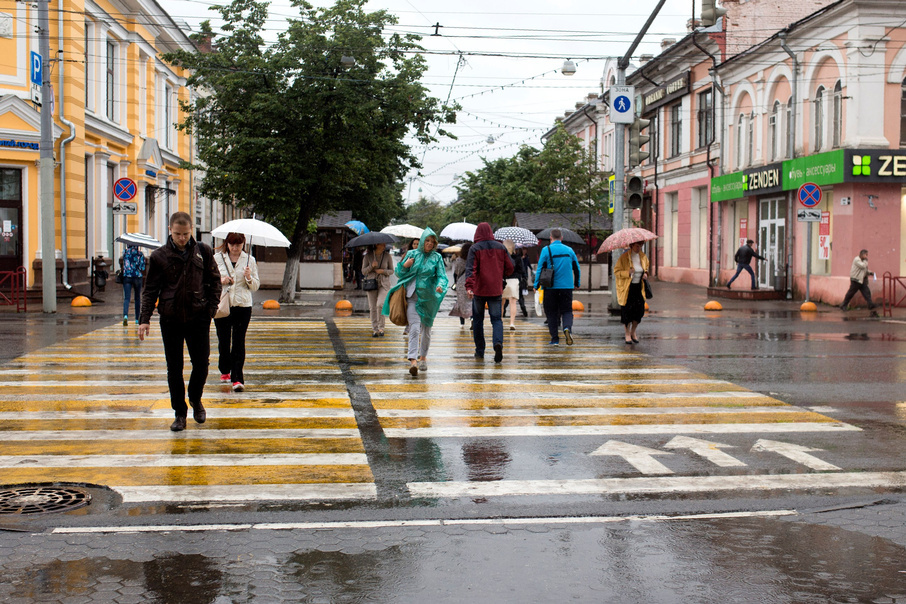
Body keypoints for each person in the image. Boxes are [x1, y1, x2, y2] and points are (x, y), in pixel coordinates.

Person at [139, 212, 221, 432]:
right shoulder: (159, 257)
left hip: (198, 317)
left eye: (185, 234)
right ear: (169, 230)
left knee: (202, 364)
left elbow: (215, 281)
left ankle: (195, 398)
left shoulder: (203, 251)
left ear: (191, 230)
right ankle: (180, 414)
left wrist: (211, 309)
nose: (182, 238)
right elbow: (150, 291)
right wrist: (144, 319)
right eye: (177, 234)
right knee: (174, 368)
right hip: (170, 318)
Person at [383, 228, 448, 376]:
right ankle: (413, 361)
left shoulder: (437, 258)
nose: (430, 244)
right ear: (422, 241)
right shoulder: (411, 254)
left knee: (426, 331)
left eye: (432, 241)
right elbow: (399, 273)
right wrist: (405, 266)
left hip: (429, 299)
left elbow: (442, 276)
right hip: (412, 297)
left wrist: (440, 286)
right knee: (414, 328)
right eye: (427, 240)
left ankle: (423, 357)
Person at [214, 232, 260, 392]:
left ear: (243, 244)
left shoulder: (250, 260)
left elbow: (255, 286)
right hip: (223, 305)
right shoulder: (217, 258)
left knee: (239, 342)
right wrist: (221, 280)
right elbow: (209, 280)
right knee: (224, 341)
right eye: (232, 244)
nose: (235, 248)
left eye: (238, 245)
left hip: (243, 306)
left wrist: (248, 278)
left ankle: (237, 378)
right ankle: (224, 368)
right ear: (227, 243)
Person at [466, 222, 514, 362]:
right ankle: (497, 343)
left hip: (479, 290)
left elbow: (471, 269)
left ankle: (480, 351)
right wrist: (500, 273)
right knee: (496, 320)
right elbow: (510, 267)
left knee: (478, 321)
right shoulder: (501, 247)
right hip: (495, 289)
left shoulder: (474, 248)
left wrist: (470, 287)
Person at [534, 229, 580, 346]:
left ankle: (555, 339)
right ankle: (567, 328)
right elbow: (576, 268)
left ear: (551, 237)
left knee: (551, 313)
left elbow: (539, 269)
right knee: (567, 310)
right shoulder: (569, 250)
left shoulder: (546, 250)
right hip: (567, 287)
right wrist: (577, 282)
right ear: (562, 238)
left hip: (550, 287)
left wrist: (536, 285)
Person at [614, 241, 650, 345]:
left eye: (641, 246)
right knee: (627, 312)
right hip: (627, 288)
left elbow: (646, 269)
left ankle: (633, 331)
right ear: (632, 246)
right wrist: (627, 273)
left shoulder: (643, 257)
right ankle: (627, 334)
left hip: (639, 288)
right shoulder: (624, 257)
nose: (639, 248)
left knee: (639, 311)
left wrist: (646, 274)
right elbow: (616, 272)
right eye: (637, 246)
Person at [362, 242, 394, 337]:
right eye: (382, 244)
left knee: (380, 304)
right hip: (371, 283)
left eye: (385, 244)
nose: (384, 245)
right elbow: (363, 271)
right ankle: (375, 329)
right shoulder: (368, 256)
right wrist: (372, 266)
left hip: (384, 284)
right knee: (372, 307)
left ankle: (381, 327)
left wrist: (383, 271)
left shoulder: (387, 256)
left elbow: (392, 270)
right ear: (376, 245)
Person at [839, 249, 878, 315]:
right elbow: (863, 266)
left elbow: (864, 270)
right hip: (856, 280)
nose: (867, 256)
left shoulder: (863, 261)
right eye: (866, 255)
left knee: (867, 292)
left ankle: (870, 305)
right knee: (851, 293)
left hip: (861, 280)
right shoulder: (857, 260)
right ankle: (843, 305)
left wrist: (871, 273)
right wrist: (866, 261)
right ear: (862, 255)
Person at [500, 239, 523, 330]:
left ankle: (500, 321)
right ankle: (512, 323)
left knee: (501, 303)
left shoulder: (501, 257)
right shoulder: (518, 258)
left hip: (503, 280)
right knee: (513, 302)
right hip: (514, 280)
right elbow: (521, 270)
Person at [120, 245, 146, 326]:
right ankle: (137, 319)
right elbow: (143, 267)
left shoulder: (125, 252)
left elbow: (122, 262)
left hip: (127, 277)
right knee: (137, 298)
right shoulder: (140, 254)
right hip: (137, 277)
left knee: (126, 298)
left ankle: (125, 316)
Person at [449, 242, 473, 327]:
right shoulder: (474, 259)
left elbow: (456, 272)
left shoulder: (459, 260)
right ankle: (472, 318)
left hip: (461, 282)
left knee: (461, 302)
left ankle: (462, 323)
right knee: (471, 301)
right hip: (472, 281)